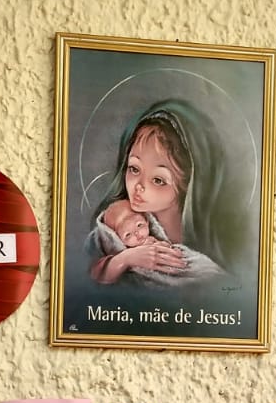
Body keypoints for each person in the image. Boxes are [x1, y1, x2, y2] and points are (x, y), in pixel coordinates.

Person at [86, 98, 248, 286]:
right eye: (134, 169)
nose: (139, 186)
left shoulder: (213, 245)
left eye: (158, 180)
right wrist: (126, 259)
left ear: (188, 183)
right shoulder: (114, 224)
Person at [91, 198, 224, 286]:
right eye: (128, 234)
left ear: (147, 221)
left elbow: (168, 248)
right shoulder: (124, 254)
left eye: (139, 225)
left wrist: (167, 248)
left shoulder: (153, 239)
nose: (137, 234)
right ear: (117, 239)